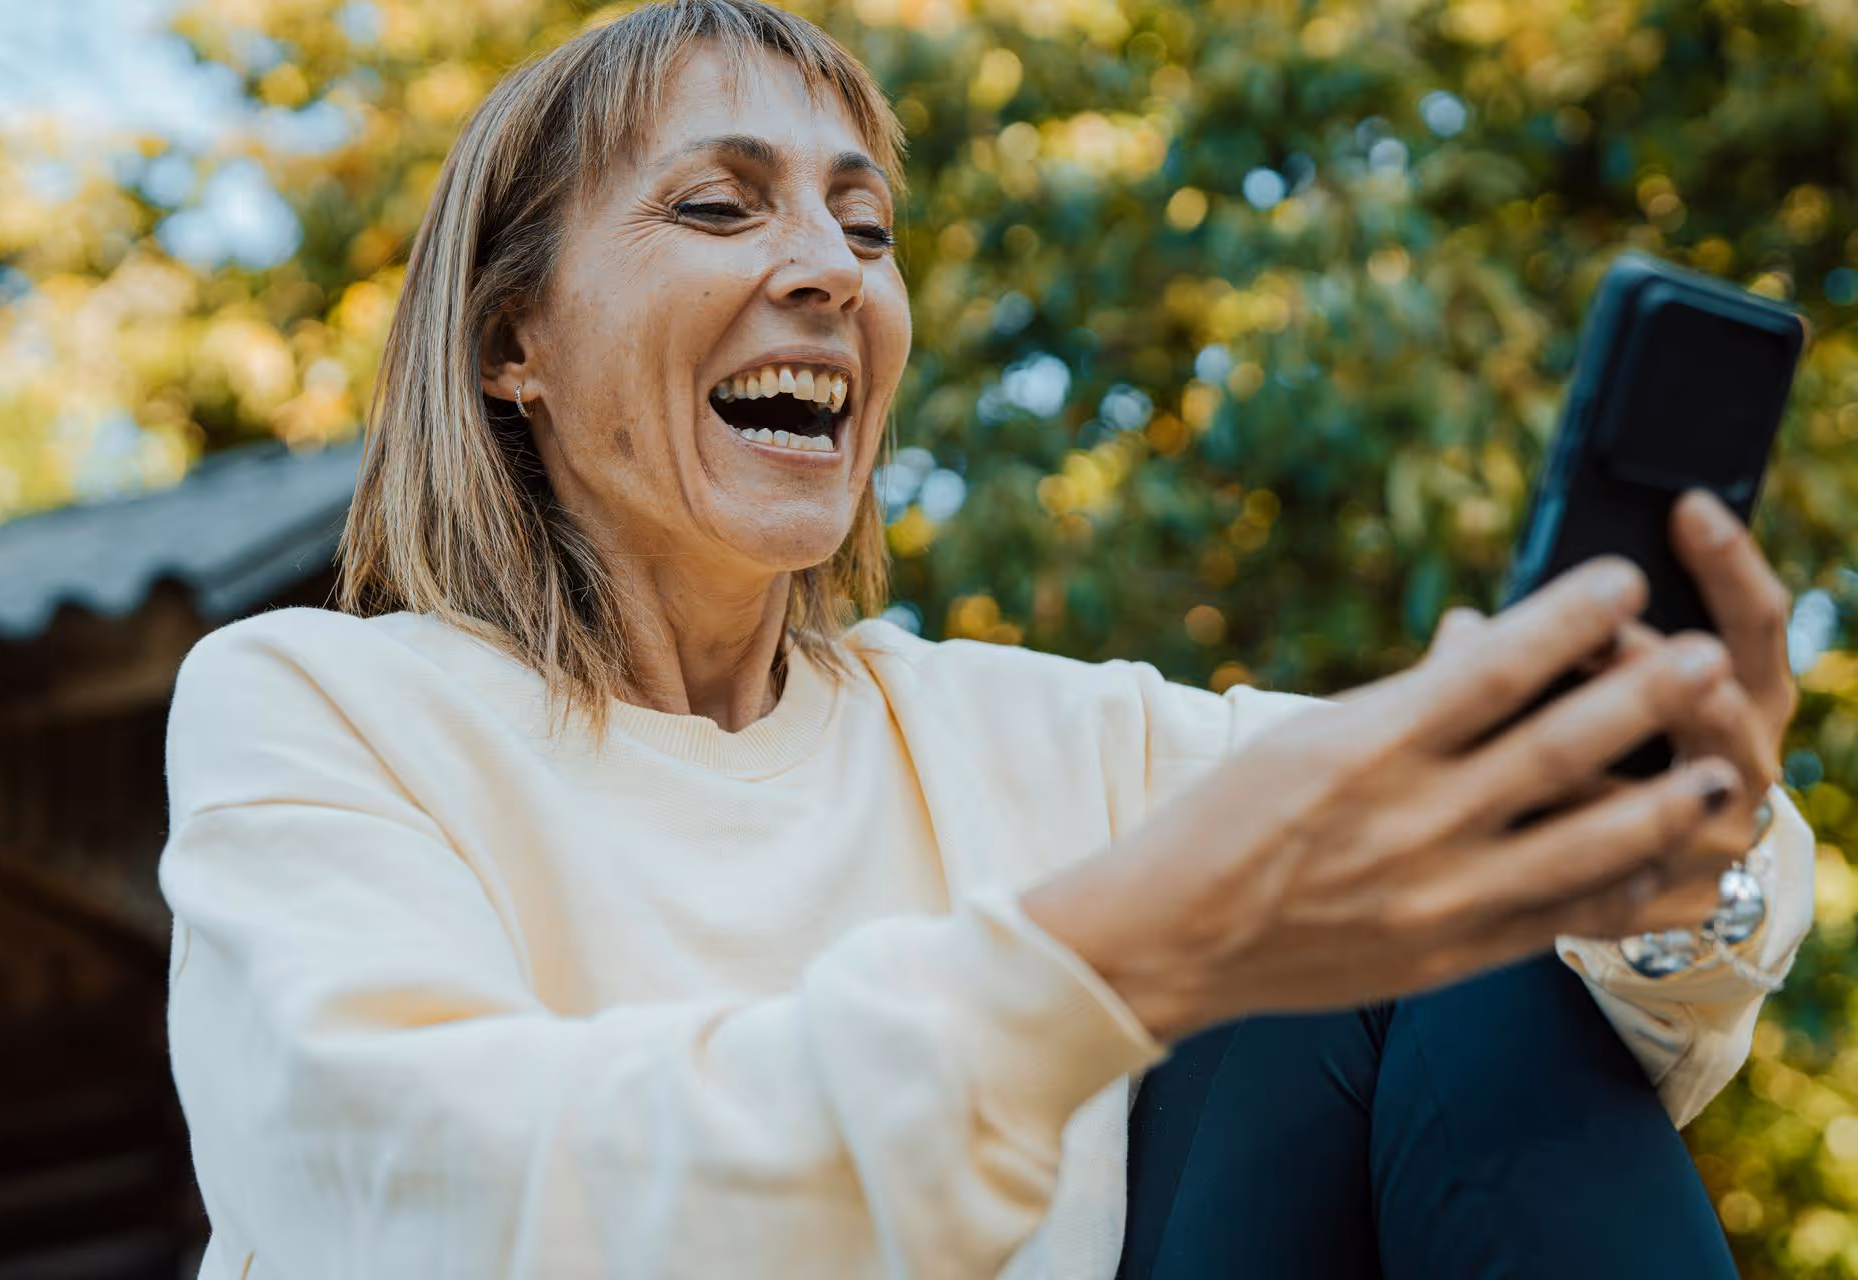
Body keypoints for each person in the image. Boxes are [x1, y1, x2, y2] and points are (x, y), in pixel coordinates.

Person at [157, 3, 1814, 1277]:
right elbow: (419, 1197)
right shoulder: (317, 707)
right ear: (512, 338)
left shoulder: (1036, 734)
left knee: (1449, 914)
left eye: (864, 228)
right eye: (722, 209)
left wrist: (1668, 849)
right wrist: (1106, 956)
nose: (825, 269)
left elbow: (1482, 843)